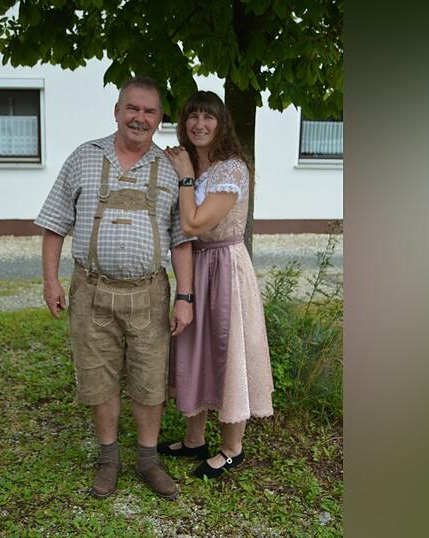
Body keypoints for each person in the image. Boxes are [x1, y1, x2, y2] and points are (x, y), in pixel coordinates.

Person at [34, 77, 195, 500]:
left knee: (148, 377)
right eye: (132, 108)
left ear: (160, 119)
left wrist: (184, 297)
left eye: (150, 111)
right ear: (117, 111)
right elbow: (54, 225)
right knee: (97, 374)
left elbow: (182, 240)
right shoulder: (83, 158)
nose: (139, 118)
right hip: (91, 290)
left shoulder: (170, 169)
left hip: (148, 293)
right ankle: (109, 459)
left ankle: (147, 460)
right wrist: (51, 281)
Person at [159, 90, 274, 478]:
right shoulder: (194, 167)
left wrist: (186, 175)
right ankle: (195, 439)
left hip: (225, 266)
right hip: (196, 265)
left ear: (221, 124)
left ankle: (231, 448)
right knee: (194, 347)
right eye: (192, 116)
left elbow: (194, 223)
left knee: (228, 351)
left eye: (208, 117)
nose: (199, 124)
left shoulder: (231, 169)